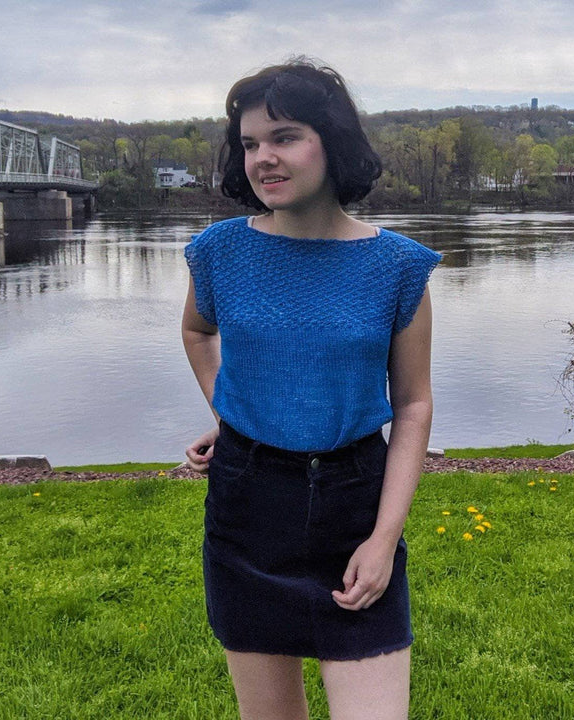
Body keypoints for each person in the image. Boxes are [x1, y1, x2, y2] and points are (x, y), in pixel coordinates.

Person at [181, 58, 440, 720]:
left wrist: (384, 540)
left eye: (285, 136)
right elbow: (197, 334)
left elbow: (411, 407)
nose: (263, 158)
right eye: (248, 145)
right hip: (247, 514)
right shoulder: (217, 253)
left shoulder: (399, 268)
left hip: (356, 511)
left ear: (334, 141)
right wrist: (234, 412)